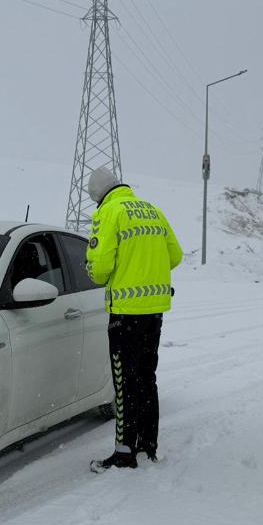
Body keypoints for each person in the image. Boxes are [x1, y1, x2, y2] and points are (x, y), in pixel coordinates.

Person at [84, 167, 182, 472]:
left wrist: (95, 269)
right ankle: (147, 445)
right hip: (154, 312)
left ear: (98, 195)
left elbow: (99, 269)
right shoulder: (152, 211)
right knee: (145, 378)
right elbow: (175, 256)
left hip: (125, 313)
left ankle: (124, 451)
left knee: (124, 383)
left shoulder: (109, 213)